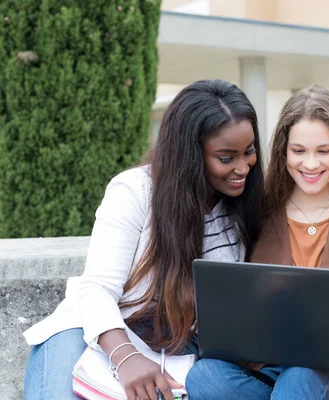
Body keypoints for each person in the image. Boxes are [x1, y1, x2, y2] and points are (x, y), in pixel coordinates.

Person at [23, 79, 265, 400]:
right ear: (190, 154)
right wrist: (126, 357)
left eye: (249, 152)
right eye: (225, 157)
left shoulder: (241, 209)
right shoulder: (135, 190)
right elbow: (97, 288)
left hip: (171, 349)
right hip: (92, 333)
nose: (242, 166)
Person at [184, 85, 329, 400]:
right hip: (270, 370)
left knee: (301, 375)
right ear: (284, 150)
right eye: (299, 151)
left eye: (323, 151)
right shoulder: (258, 211)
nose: (310, 164)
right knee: (205, 376)